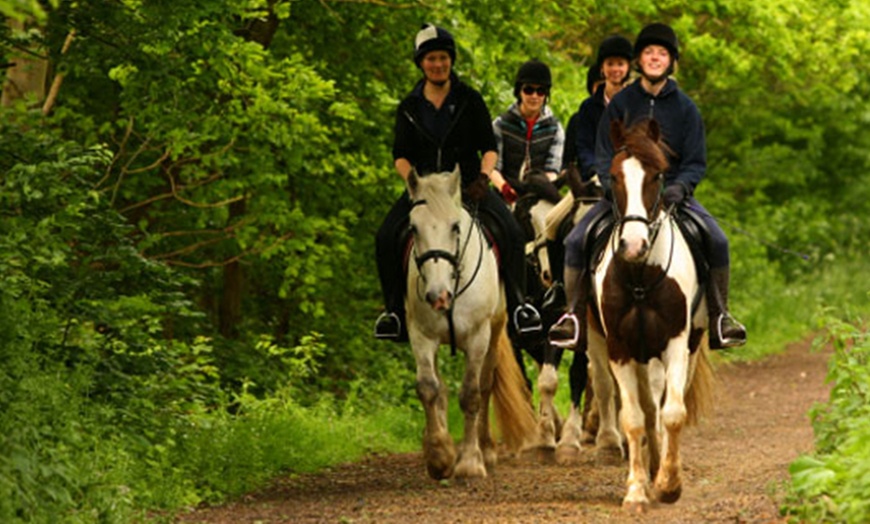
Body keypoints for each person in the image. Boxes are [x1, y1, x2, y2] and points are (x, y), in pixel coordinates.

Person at [549, 22, 747, 350]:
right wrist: (614, 191)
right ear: (639, 60)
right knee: (574, 241)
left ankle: (720, 317)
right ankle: (572, 318)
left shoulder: (686, 108)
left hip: (673, 198)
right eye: (649, 53)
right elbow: (603, 153)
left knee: (718, 240)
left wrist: (680, 188)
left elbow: (696, 161)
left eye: (662, 53)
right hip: (625, 198)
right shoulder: (621, 103)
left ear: (672, 62)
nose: (655, 58)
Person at [374, 23, 543, 341]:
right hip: (424, 190)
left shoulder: (470, 99)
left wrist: (482, 177)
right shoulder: (409, 107)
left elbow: (489, 148)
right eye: (431, 59)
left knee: (512, 232)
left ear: (450, 60)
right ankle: (394, 312)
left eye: (443, 58)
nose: (438, 64)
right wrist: (412, 183)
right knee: (385, 237)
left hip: (466, 185)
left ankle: (521, 305)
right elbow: (400, 155)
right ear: (421, 63)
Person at [550, 35, 633, 310]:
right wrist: (597, 173)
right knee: (559, 228)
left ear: (628, 68)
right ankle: (563, 297)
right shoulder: (588, 109)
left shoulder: (642, 105)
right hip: (597, 186)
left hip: (635, 184)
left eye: (621, 64)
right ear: (603, 68)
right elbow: (584, 147)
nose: (616, 69)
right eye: (610, 64)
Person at [491, 59, 564, 198]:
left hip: (539, 194)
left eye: (540, 91)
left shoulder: (555, 129)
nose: (534, 96)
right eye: (528, 90)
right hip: (504, 191)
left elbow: (552, 170)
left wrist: (539, 189)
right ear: (519, 91)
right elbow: (494, 168)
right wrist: (505, 189)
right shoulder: (500, 124)